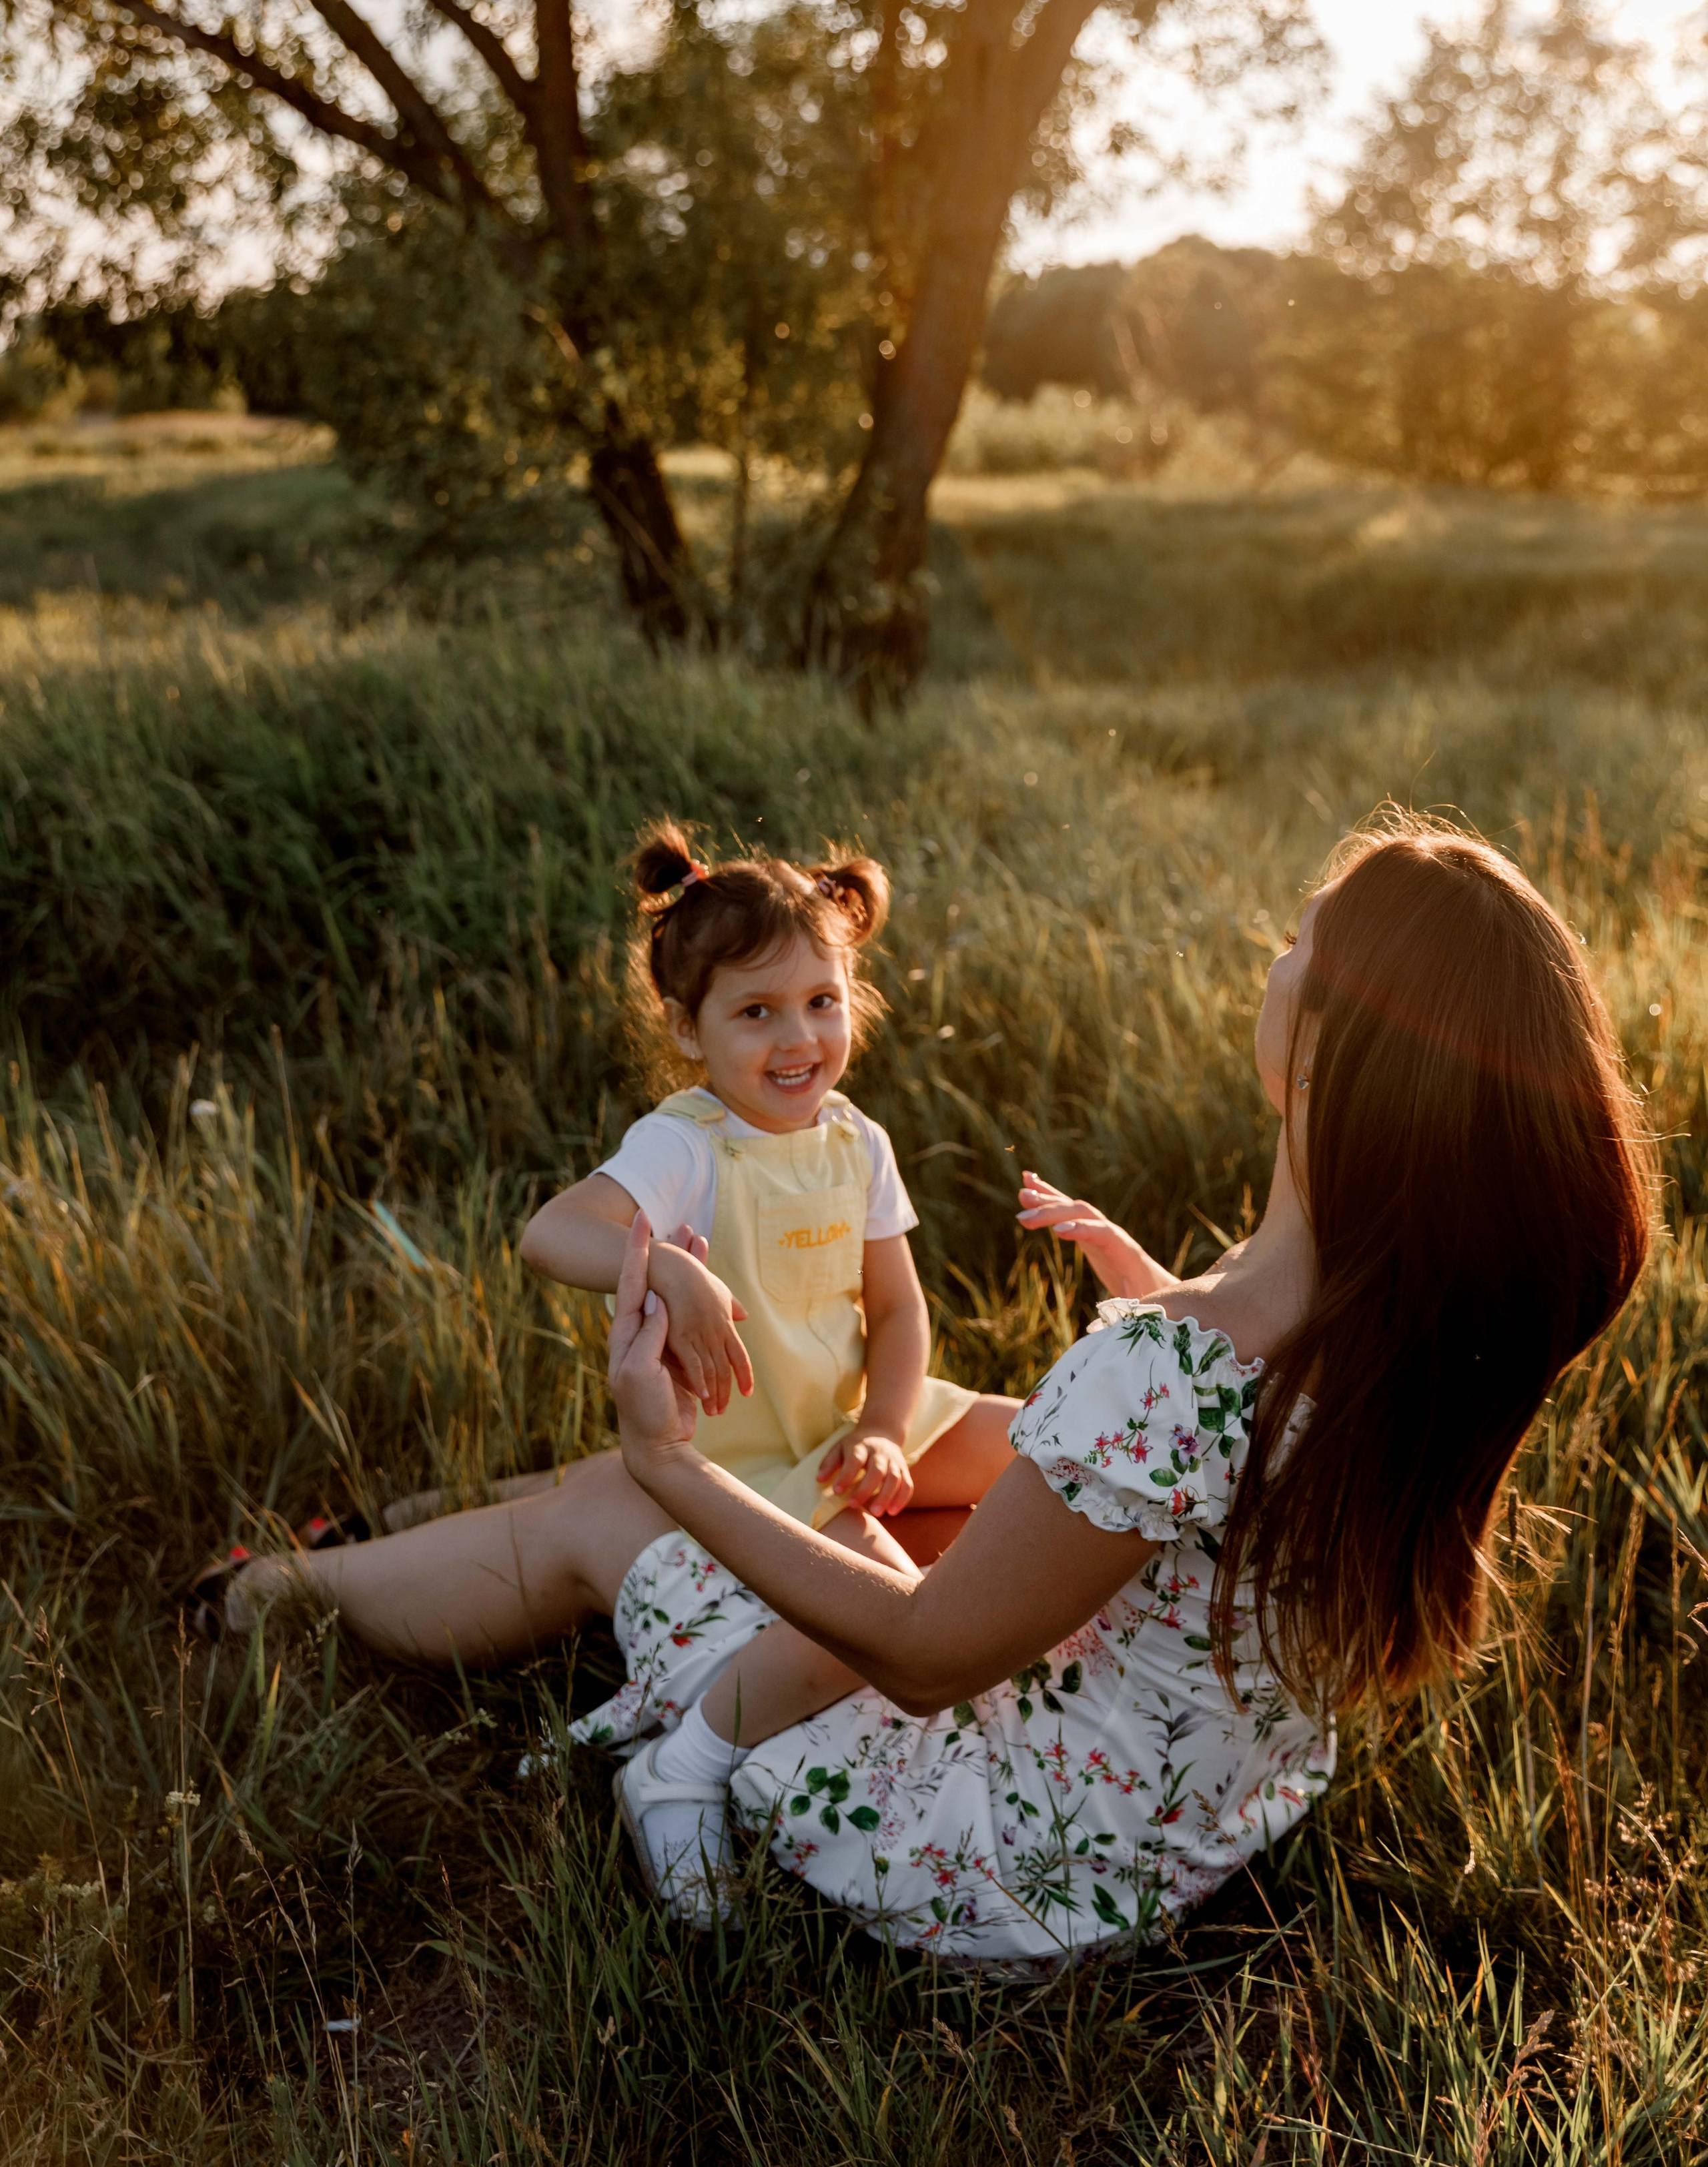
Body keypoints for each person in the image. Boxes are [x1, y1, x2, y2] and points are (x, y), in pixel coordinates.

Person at [590, 816, 1653, 1959]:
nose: (1274, 960)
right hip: (1199, 1821)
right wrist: (1158, 1290)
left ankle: (659, 1759)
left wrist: (667, 1462)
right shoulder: (1406, 1319)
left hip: (1003, 1861)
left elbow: (923, 1654)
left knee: (671, 1541)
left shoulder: (1173, 1364)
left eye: (1297, 941)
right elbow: (1226, 1459)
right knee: (915, 1513)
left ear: (1330, 1042)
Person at [198, 827, 1021, 1909]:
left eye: (821, 1002)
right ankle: (306, 1590)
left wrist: (884, 1425)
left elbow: (901, 1310)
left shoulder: (854, 1139)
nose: (798, 1039)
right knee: (877, 1594)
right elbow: (551, 1233)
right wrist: (666, 1267)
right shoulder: (690, 1141)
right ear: (687, 1028)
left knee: (1044, 1441)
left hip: (840, 1424)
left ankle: (396, 1516)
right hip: (748, 1461)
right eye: (756, 1012)